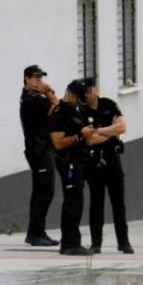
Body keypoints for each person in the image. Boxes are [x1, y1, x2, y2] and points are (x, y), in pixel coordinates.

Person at [80, 78, 134, 254]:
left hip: (112, 160)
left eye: (90, 90)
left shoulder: (109, 104)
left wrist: (99, 130)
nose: (88, 94)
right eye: (85, 92)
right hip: (93, 162)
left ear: (96, 89)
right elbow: (90, 139)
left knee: (118, 203)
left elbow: (122, 127)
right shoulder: (82, 111)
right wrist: (110, 131)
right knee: (96, 203)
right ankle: (96, 243)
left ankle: (123, 241)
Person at [48, 79, 95, 255]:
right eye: (79, 97)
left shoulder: (76, 110)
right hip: (68, 163)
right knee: (72, 202)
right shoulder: (59, 113)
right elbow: (58, 143)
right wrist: (79, 136)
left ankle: (72, 241)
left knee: (77, 201)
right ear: (72, 94)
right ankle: (69, 243)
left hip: (79, 162)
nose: (80, 101)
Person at [19, 65, 60, 247]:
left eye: (41, 78)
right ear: (26, 79)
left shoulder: (35, 99)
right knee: (45, 191)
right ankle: (36, 233)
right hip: (39, 151)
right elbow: (59, 110)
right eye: (35, 78)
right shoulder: (33, 100)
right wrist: (50, 91)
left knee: (41, 191)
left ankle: (36, 232)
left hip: (42, 149)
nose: (39, 82)